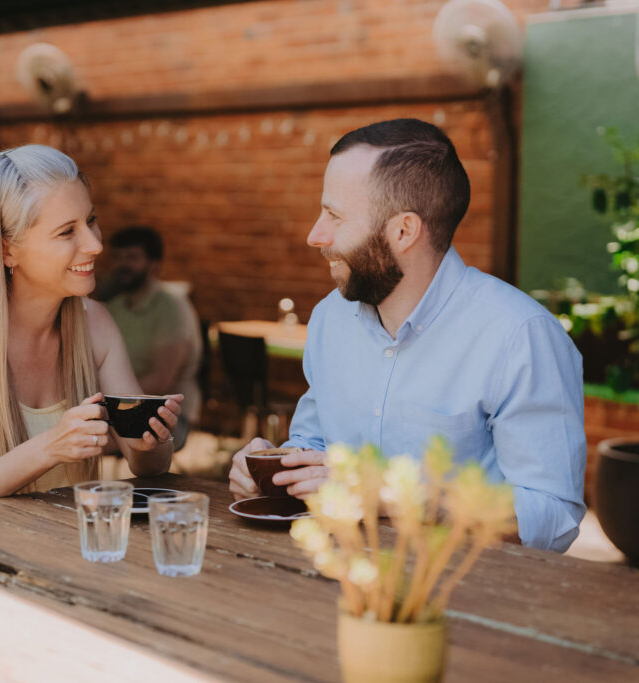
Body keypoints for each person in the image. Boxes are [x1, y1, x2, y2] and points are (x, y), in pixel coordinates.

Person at [228, 119, 586, 553]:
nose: (315, 235)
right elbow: (317, 443)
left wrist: (400, 498)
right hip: (333, 575)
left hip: (469, 598)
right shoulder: (330, 318)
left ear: (404, 231)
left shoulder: (520, 336)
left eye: (334, 215)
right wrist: (278, 467)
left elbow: (553, 517)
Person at [0, 145, 181, 511]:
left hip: (46, 550)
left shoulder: (95, 325)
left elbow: (150, 466)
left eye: (91, 220)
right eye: (67, 232)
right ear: (6, 250)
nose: (94, 244)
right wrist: (50, 448)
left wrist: (152, 442)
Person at [105, 227, 202, 448]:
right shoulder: (113, 308)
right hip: (116, 410)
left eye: (132, 258)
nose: (123, 265)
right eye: (118, 258)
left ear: (154, 264)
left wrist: (108, 406)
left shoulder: (172, 307)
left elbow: (160, 381)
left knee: (88, 441)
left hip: (167, 416)